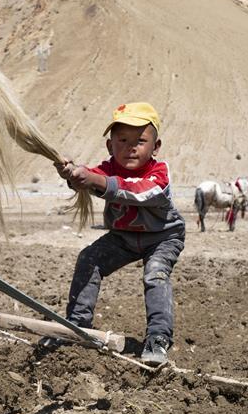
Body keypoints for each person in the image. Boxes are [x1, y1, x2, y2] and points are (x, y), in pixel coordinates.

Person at [54, 102, 185, 364]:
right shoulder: (107, 169)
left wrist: (97, 181)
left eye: (140, 140)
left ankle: (158, 337)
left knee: (155, 273)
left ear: (155, 147)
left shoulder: (160, 173)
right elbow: (90, 177)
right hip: (124, 238)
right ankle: (78, 326)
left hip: (162, 237)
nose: (130, 147)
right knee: (89, 259)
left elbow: (139, 191)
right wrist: (72, 175)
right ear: (110, 145)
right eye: (122, 140)